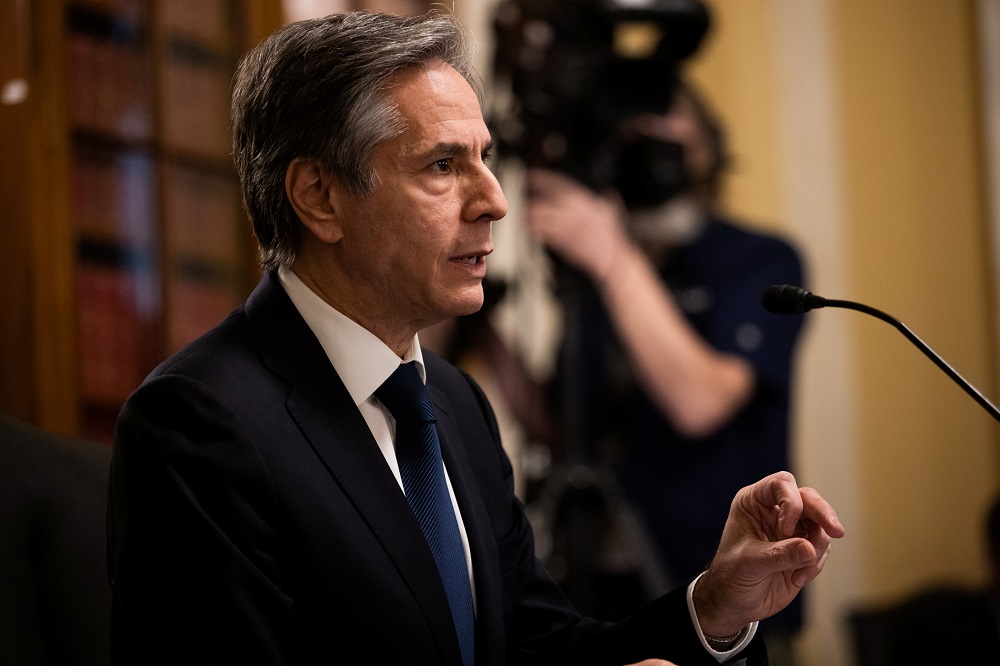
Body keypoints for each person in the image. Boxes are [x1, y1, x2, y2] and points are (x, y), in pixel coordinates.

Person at [106, 11, 843, 665]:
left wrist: (714, 607)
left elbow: (534, 643)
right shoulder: (197, 424)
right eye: (442, 165)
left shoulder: (453, 403)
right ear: (319, 198)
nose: (493, 200)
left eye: (485, 158)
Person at [525, 82, 808, 655]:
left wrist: (612, 258)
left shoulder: (759, 258)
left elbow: (701, 401)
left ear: (705, 149)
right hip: (609, 592)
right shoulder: (597, 279)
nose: (649, 149)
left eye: (666, 133)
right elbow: (563, 431)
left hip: (728, 580)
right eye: (633, 136)